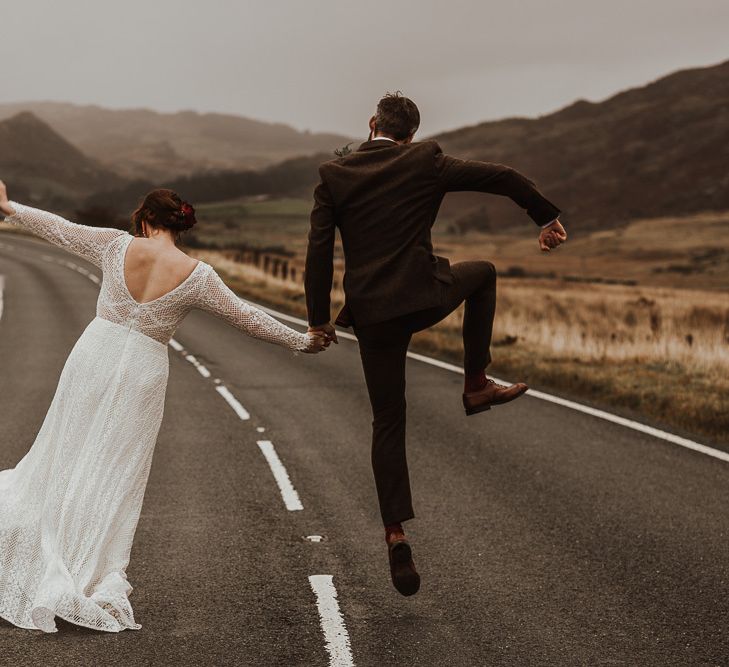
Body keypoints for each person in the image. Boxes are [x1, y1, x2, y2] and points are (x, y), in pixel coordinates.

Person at [0, 183, 327, 633]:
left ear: (145, 220)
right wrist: (301, 341)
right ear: (178, 225)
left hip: (94, 355)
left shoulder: (117, 245)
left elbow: (61, 230)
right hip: (143, 370)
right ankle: (88, 573)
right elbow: (246, 317)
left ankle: (45, 551)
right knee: (115, 472)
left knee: (62, 453)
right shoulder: (199, 274)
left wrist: (9, 206)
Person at [304, 93, 567, 596]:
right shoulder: (428, 161)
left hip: (374, 316)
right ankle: (475, 383)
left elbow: (319, 252)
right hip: (424, 296)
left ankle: (395, 532)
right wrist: (546, 219)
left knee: (388, 420)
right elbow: (506, 177)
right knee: (484, 274)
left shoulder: (333, 175)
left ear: (372, 124)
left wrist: (319, 320)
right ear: (412, 135)